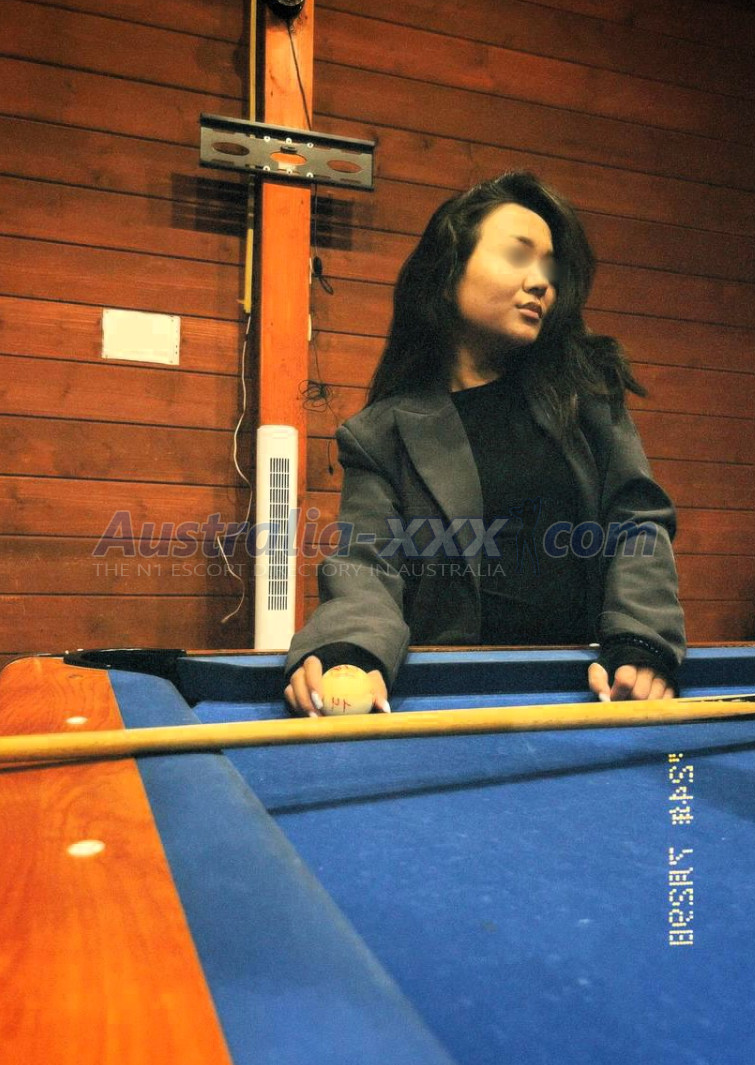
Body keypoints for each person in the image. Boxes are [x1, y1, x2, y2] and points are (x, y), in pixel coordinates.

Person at [285, 172, 685, 716]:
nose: (541, 282)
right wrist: (349, 650)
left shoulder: (585, 394)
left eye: (550, 268)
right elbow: (367, 563)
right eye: (518, 256)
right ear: (449, 270)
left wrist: (641, 642)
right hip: (449, 706)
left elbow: (637, 522)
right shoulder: (381, 434)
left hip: (589, 693)